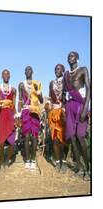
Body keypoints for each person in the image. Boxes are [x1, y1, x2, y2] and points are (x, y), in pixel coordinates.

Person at [63, 51, 90, 180]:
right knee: (72, 138)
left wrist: (86, 109)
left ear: (77, 58)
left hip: (80, 105)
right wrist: (65, 108)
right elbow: (64, 93)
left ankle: (88, 169)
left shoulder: (83, 70)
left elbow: (89, 89)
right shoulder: (66, 75)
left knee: (80, 136)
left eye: (72, 56)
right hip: (69, 106)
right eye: (69, 56)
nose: (70, 58)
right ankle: (79, 168)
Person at [18, 66, 43, 170]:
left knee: (34, 137)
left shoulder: (37, 83)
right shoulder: (21, 84)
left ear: (32, 72)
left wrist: (37, 91)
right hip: (25, 112)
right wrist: (18, 114)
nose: (28, 71)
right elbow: (19, 100)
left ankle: (33, 160)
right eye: (26, 70)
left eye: (30, 70)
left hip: (35, 112)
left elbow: (41, 100)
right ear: (24, 72)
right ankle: (27, 160)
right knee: (27, 137)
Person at [0, 69, 16, 171]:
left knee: (12, 142)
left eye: (8, 74)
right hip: (1, 115)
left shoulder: (13, 89)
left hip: (10, 115)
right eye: (4, 74)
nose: (6, 76)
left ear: (10, 76)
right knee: (1, 142)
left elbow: (14, 105)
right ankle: (1, 161)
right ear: (1, 76)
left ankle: (7, 160)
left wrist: (16, 117)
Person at [48, 64, 68, 172]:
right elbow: (50, 98)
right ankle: (57, 161)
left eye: (59, 68)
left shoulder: (67, 81)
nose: (57, 70)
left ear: (63, 70)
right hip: (54, 112)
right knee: (55, 138)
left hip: (64, 112)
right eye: (55, 69)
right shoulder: (51, 83)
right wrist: (48, 106)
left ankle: (63, 161)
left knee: (63, 138)